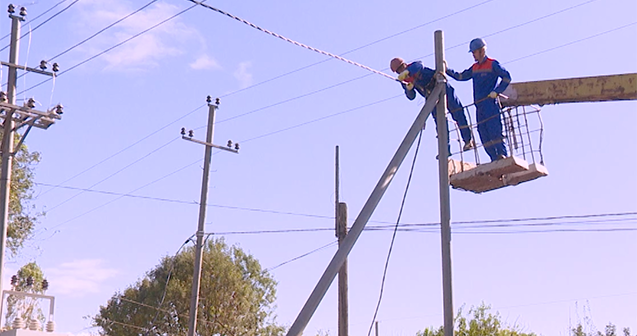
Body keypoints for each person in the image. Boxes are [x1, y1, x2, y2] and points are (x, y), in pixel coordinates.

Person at [445, 38, 511, 161]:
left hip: (490, 104)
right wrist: (447, 70)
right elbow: (461, 76)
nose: (473, 55)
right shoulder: (474, 67)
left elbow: (507, 77)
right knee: (483, 133)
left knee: (494, 130)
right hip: (479, 106)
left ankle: (502, 155)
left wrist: (496, 92)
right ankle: (494, 158)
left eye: (474, 52)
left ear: (481, 51)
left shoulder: (492, 64)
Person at [390, 57, 474, 153]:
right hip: (431, 96)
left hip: (441, 86)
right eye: (398, 71)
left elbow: (419, 66)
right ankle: (445, 150)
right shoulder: (404, 80)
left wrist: (407, 73)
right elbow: (411, 97)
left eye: (401, 68)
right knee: (440, 123)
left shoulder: (413, 66)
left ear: (404, 64)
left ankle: (468, 140)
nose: (400, 71)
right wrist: (408, 89)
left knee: (458, 113)